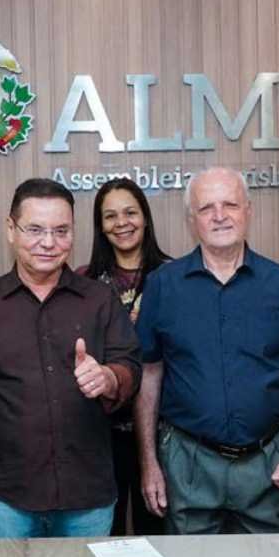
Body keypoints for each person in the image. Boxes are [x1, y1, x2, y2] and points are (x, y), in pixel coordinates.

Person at [0, 178, 141, 539]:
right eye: (35, 229)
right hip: (4, 499)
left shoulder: (99, 300)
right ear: (11, 230)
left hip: (87, 495)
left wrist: (108, 378)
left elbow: (130, 368)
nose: (49, 243)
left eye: (61, 231)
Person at [136, 167, 279, 534]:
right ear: (192, 220)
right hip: (187, 462)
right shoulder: (162, 286)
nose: (220, 216)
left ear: (248, 211)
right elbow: (149, 375)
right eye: (207, 208)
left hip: (269, 462)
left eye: (230, 205)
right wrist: (149, 462)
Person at [77, 178, 171, 536]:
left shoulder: (174, 275)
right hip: (99, 433)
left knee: (159, 534)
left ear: (145, 218)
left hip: (164, 431)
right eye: (110, 216)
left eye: (130, 212)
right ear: (100, 225)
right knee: (105, 537)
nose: (122, 223)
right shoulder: (82, 283)